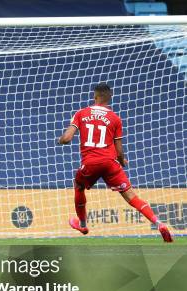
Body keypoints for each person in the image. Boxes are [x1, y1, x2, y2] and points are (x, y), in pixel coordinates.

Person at [58, 82, 173, 242]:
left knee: (79, 186)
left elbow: (67, 138)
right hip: (110, 163)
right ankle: (158, 223)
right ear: (109, 97)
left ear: (95, 96)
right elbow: (119, 150)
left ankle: (83, 224)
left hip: (91, 163)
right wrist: (122, 160)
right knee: (131, 196)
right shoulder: (115, 118)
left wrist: (60, 140)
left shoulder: (81, 113)